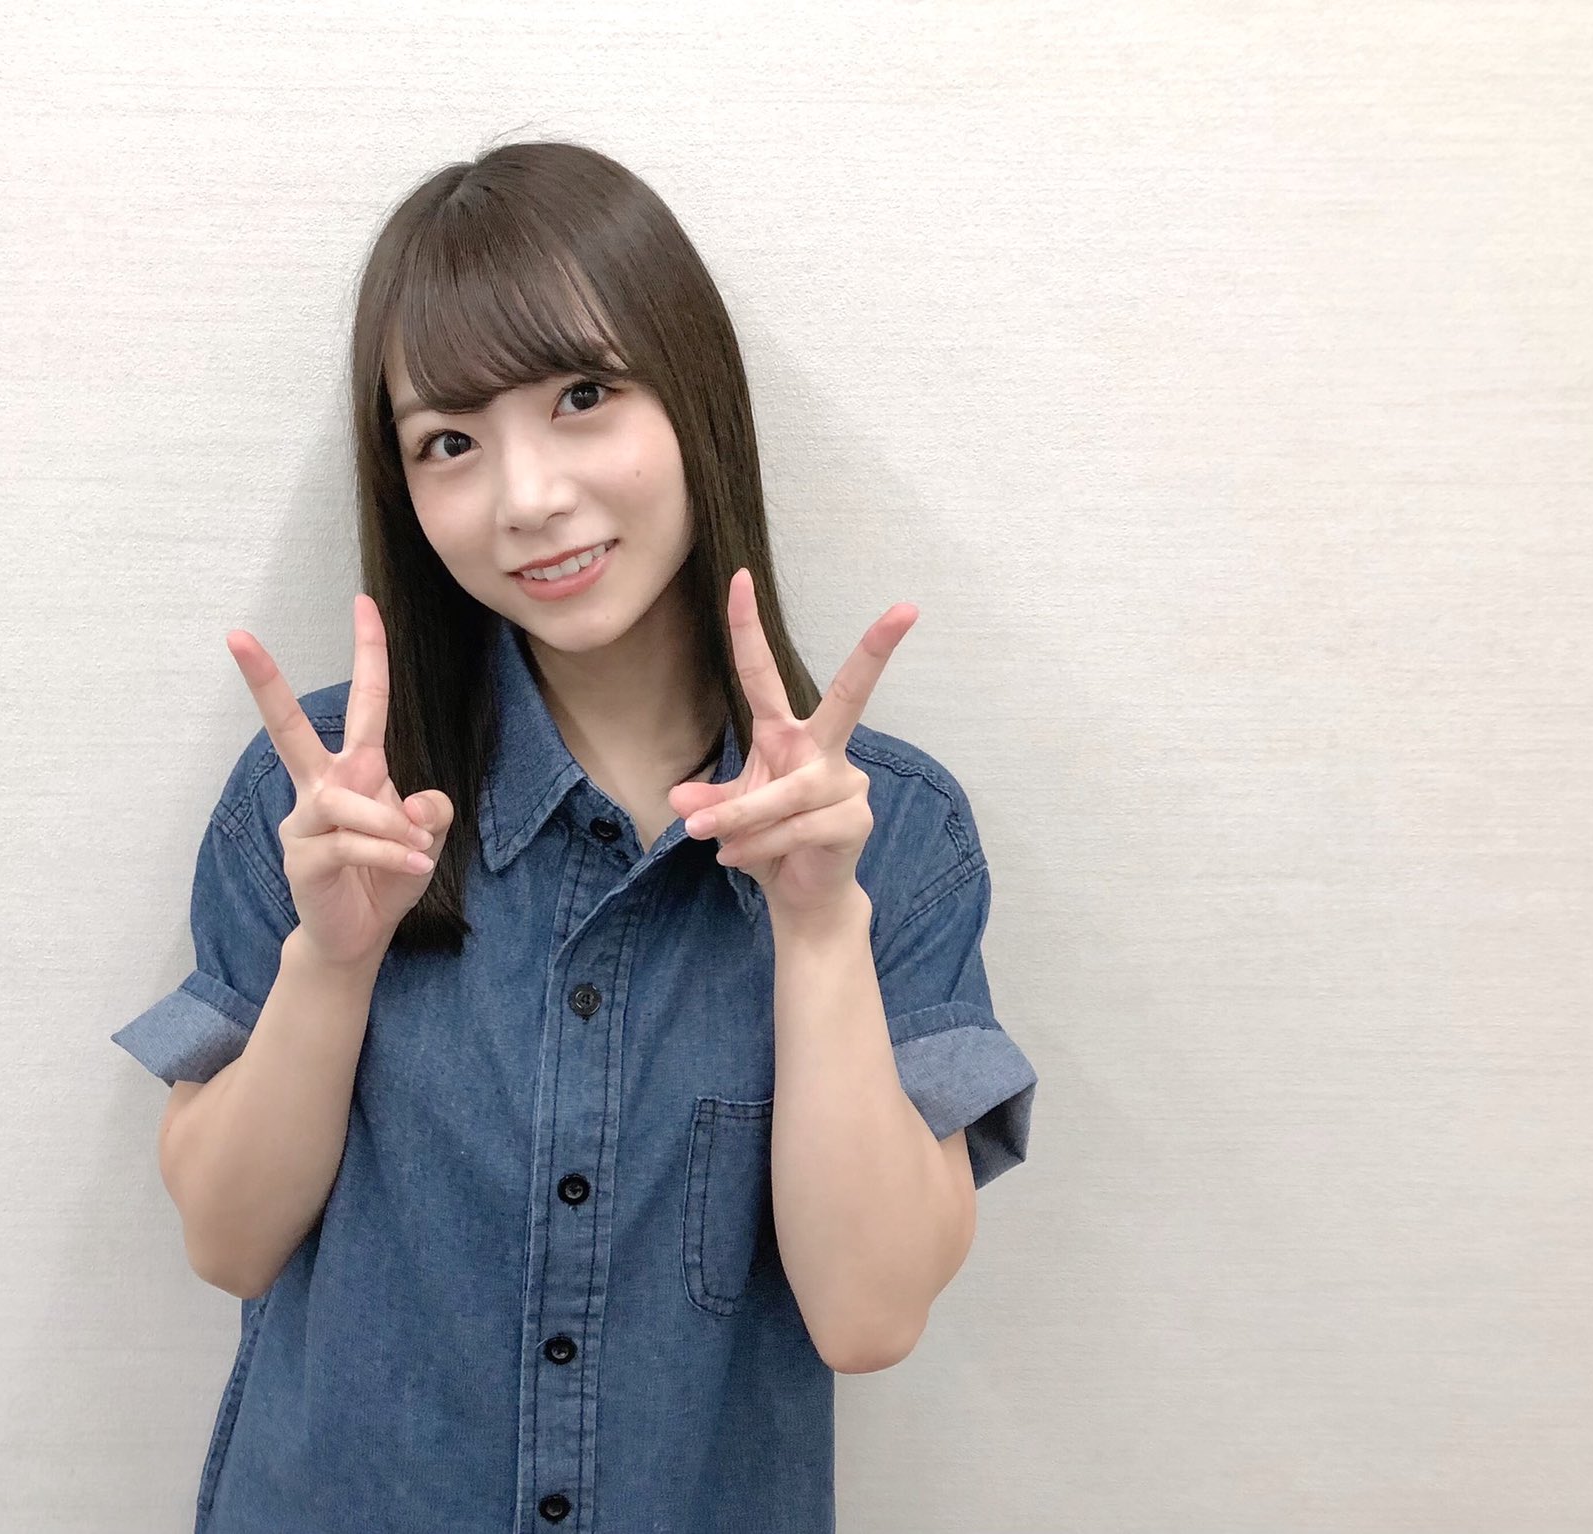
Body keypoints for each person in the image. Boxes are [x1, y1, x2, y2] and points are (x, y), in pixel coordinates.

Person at [113, 139, 1039, 1534]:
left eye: (584, 396)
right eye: (450, 442)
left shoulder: (893, 832)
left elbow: (869, 1314)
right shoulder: (322, 804)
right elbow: (227, 1240)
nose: (528, 496)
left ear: (693, 392)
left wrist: (816, 931)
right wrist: (332, 962)